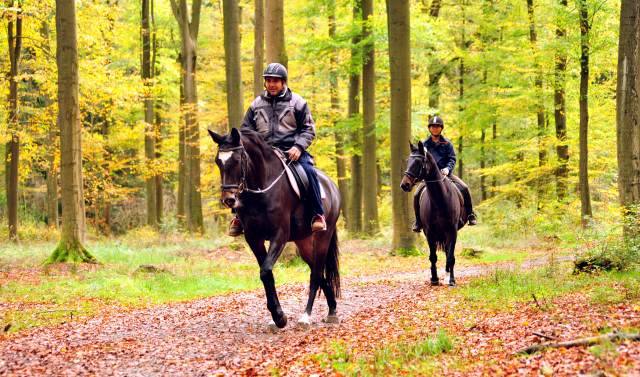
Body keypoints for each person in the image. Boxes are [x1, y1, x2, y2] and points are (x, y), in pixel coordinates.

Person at [228, 62, 327, 237]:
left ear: (283, 82)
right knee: (243, 172)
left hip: (291, 152)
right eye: (268, 80)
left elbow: (309, 129)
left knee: (309, 172)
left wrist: (298, 147)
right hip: (264, 154)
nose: (271, 84)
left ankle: (318, 215)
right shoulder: (256, 104)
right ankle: (237, 216)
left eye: (276, 80)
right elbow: (246, 130)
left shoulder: (297, 102)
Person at [412, 116, 477, 232]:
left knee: (465, 187)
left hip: (446, 174)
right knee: (416, 195)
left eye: (437, 127)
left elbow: (452, 159)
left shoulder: (447, 144)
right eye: (432, 127)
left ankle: (470, 214)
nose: (435, 129)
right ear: (429, 129)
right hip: (430, 177)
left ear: (441, 128)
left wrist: (447, 169)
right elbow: (421, 159)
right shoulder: (425, 144)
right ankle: (417, 221)